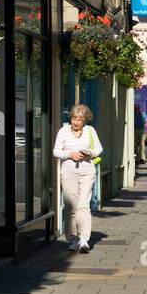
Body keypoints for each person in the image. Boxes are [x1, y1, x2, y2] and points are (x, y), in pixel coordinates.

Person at [53, 104, 103, 253]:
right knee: (72, 206)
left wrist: (90, 153)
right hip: (68, 172)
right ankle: (73, 238)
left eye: (80, 119)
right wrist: (70, 154)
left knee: (83, 205)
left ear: (85, 120)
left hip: (87, 170)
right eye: (74, 118)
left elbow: (99, 148)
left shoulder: (90, 131)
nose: (76, 122)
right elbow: (56, 151)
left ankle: (83, 239)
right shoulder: (63, 131)